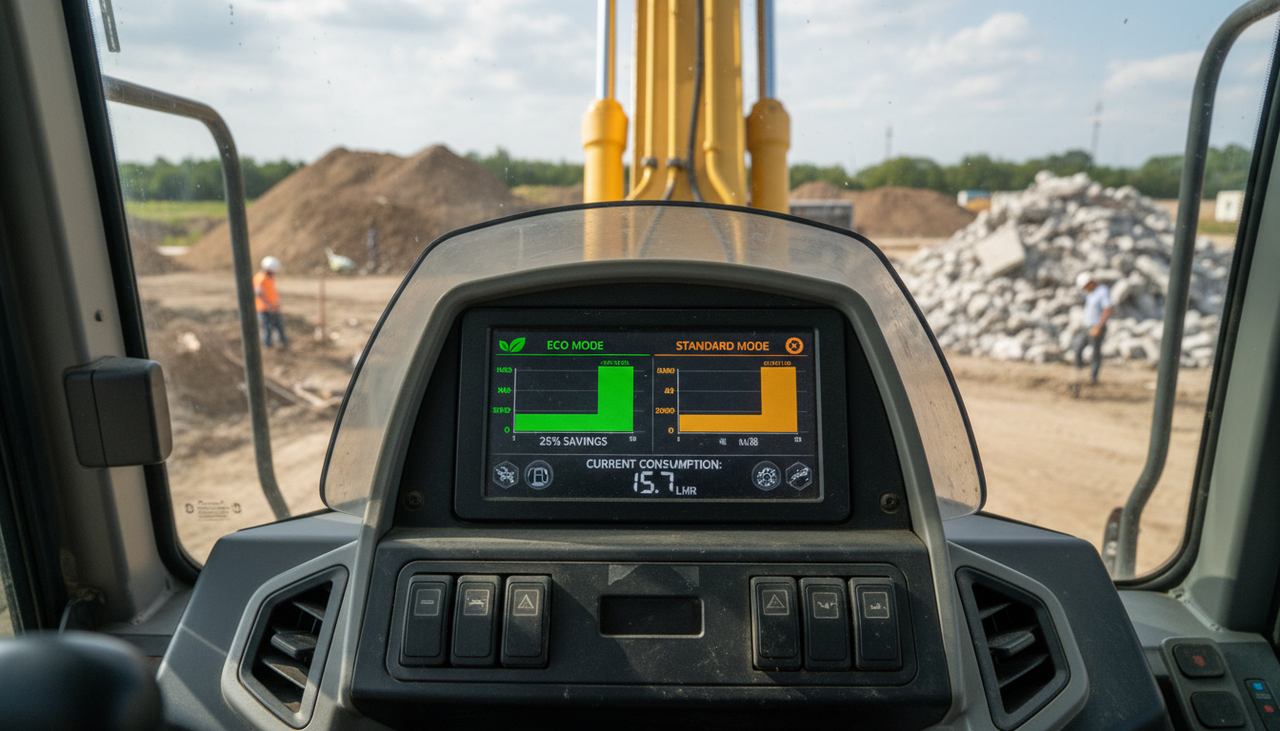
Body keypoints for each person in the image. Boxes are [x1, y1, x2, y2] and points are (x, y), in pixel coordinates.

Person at [1071, 272, 1113, 383]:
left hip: (1096, 327)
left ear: (1090, 282)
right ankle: (1078, 371)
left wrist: (1099, 326)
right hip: (1087, 327)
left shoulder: (1102, 291)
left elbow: (1107, 309)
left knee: (1095, 351)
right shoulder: (1091, 293)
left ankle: (1093, 378)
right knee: (1078, 346)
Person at [254, 256, 288, 349]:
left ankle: (283, 342)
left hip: (273, 307)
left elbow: (272, 292)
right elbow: (258, 293)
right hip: (263, 308)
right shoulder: (261, 277)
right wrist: (267, 305)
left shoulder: (270, 277)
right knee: (268, 327)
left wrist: (275, 304)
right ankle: (267, 345)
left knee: (279, 325)